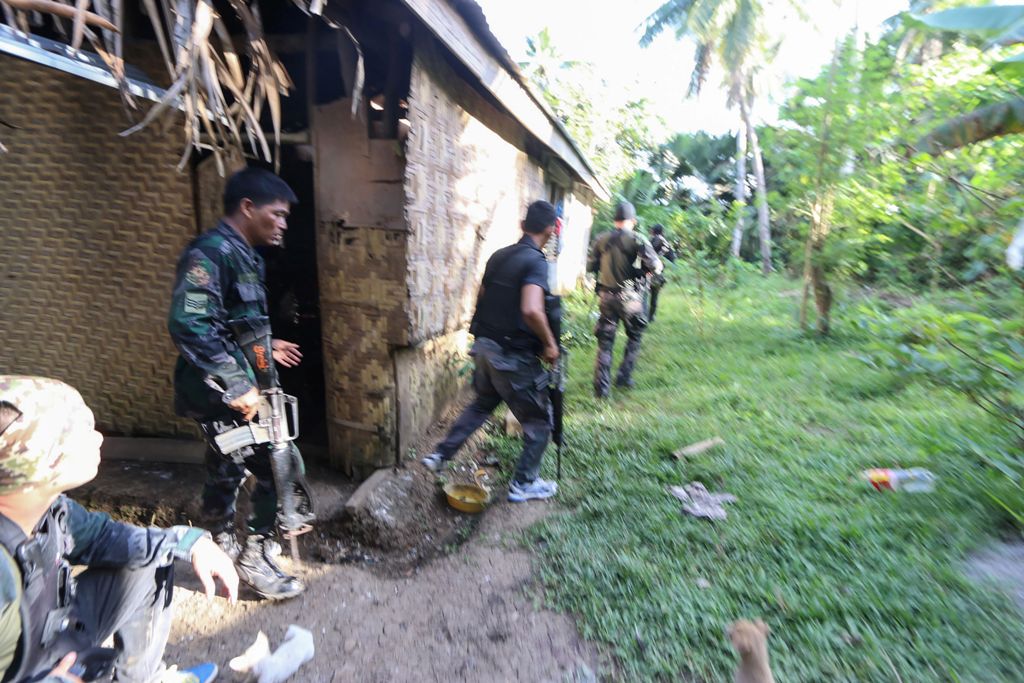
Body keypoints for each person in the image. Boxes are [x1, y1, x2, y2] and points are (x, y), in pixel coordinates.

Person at [0, 375, 237, 683]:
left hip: (47, 638)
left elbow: (107, 538)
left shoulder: (47, 508)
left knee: (151, 560)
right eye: (78, 434)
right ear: (34, 467)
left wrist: (188, 541)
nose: (98, 438)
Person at [168, 167, 309, 601]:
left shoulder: (244, 254)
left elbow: (230, 323)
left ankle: (221, 544)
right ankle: (254, 556)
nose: (283, 224)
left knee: (227, 468)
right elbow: (190, 323)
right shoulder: (210, 253)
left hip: (235, 389)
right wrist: (236, 382)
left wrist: (266, 344)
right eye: (278, 214)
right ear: (247, 208)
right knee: (279, 467)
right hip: (219, 395)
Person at [420, 201, 561, 503]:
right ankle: (524, 484)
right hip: (511, 355)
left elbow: (482, 297)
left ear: (524, 225)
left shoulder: (499, 255)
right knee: (538, 422)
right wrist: (549, 344)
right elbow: (532, 309)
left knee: (483, 404)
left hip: (484, 347)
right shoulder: (536, 261)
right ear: (551, 229)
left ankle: (440, 454)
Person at [587, 201, 663, 397]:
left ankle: (601, 389)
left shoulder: (601, 239)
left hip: (606, 296)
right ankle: (623, 377)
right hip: (630, 297)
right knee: (635, 336)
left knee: (605, 342)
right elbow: (656, 266)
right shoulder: (637, 239)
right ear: (633, 221)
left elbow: (590, 267)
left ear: (615, 221)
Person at [647, 224, 676, 322]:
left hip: (650, 272)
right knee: (654, 296)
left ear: (653, 231)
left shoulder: (653, 240)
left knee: (644, 294)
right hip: (659, 273)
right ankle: (651, 316)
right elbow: (672, 258)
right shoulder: (665, 242)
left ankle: (644, 316)